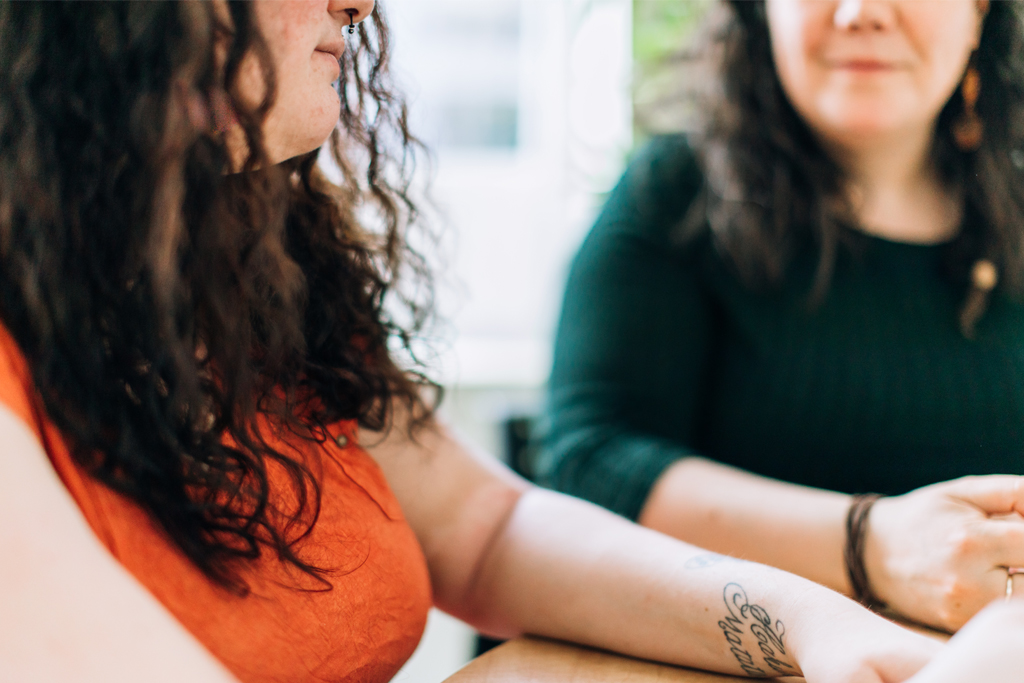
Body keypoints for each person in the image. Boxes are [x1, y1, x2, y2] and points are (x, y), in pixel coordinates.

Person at [0, 1, 944, 682]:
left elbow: (482, 527)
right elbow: (597, 456)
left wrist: (810, 626)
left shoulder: (247, 275)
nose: (360, 6)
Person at [535, 0, 1024, 634]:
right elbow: (590, 464)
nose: (862, 13)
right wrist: (868, 545)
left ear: (979, 12)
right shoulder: (674, 197)